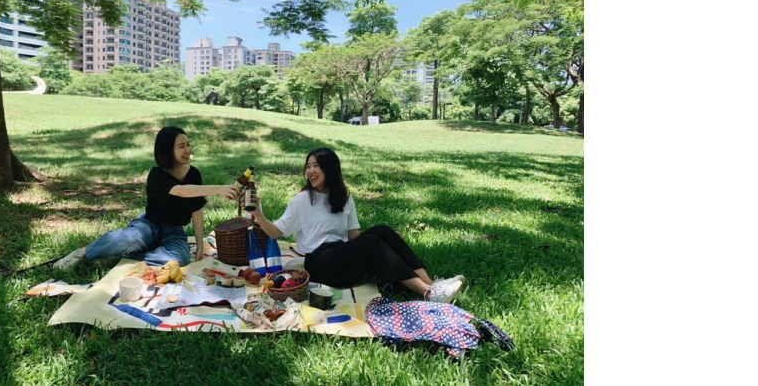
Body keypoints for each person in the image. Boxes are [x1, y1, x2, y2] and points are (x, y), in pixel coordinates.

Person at [250, 148, 465, 303]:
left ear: (330, 169)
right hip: (320, 264)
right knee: (371, 242)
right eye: (308, 166)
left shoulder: (343, 197)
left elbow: (353, 236)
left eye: (317, 166)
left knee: (381, 231)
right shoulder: (303, 199)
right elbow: (275, 232)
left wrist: (383, 247)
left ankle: (431, 285)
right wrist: (258, 212)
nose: (310, 171)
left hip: (341, 255)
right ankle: (427, 293)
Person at [54, 126, 239, 270]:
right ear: (167, 150)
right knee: (127, 240)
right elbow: (181, 191)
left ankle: (121, 259)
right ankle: (83, 252)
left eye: (188, 144)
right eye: (181, 146)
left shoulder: (194, 173)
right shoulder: (157, 175)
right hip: (149, 225)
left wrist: (200, 245)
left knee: (179, 259)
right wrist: (218, 189)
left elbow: (196, 209)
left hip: (174, 230)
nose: (187, 150)